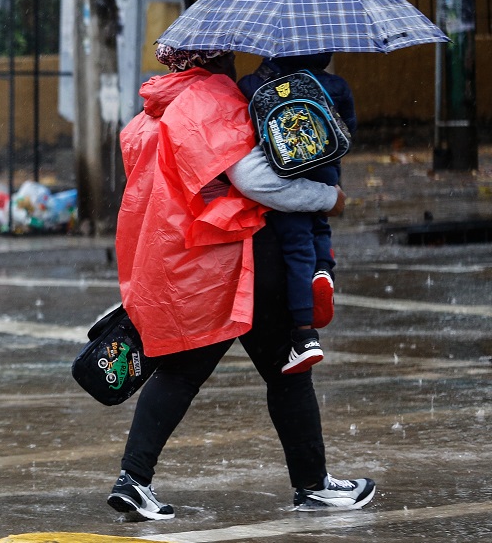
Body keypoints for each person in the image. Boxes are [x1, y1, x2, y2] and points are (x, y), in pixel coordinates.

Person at [107, 45, 375, 521]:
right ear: (216, 57)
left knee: (181, 372)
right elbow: (255, 181)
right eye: (229, 53)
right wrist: (326, 197)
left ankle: (134, 479)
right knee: (288, 369)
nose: (237, 58)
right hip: (234, 258)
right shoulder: (212, 99)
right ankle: (313, 485)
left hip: (184, 258)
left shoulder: (155, 108)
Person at [238, 53, 357, 374]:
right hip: (325, 172)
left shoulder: (254, 84)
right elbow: (348, 131)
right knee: (320, 228)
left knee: (296, 248)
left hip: (286, 173)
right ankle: (324, 272)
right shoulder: (336, 85)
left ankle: (305, 334)